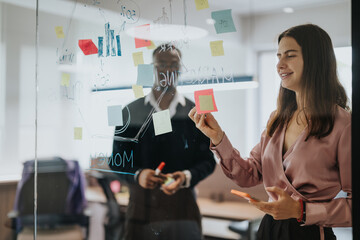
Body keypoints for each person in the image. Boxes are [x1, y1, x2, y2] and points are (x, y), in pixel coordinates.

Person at [189, 24, 351, 240]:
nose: (280, 65)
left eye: (290, 56)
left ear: (315, 60)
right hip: (269, 230)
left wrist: (300, 211)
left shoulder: (342, 124)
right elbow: (250, 174)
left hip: (311, 233)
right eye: (278, 56)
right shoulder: (278, 119)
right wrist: (218, 137)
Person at [110, 43, 216, 240]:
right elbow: (116, 161)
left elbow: (208, 161)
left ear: (180, 68)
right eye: (162, 64)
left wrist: (185, 176)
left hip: (182, 208)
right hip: (142, 208)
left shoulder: (195, 113)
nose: (168, 70)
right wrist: (138, 175)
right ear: (153, 68)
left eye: (174, 64)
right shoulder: (130, 112)